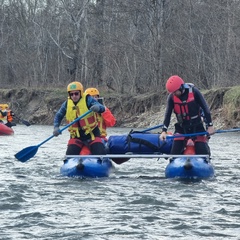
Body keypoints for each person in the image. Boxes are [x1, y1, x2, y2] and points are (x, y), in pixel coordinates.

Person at [160, 75, 215, 155]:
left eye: (175, 92)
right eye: (173, 92)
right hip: (181, 128)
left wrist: (210, 126)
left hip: (197, 127)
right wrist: (164, 131)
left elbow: (206, 109)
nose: (174, 94)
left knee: (202, 151)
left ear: (181, 87)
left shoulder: (194, 92)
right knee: (174, 153)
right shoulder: (171, 97)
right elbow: (167, 114)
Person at [53, 81, 107, 155]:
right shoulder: (67, 104)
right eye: (71, 94)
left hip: (92, 134)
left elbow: (102, 108)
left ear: (81, 93)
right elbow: (58, 115)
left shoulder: (88, 99)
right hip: (76, 136)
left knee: (99, 152)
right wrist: (56, 127)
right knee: (69, 154)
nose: (74, 96)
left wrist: (98, 108)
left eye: (76, 93)